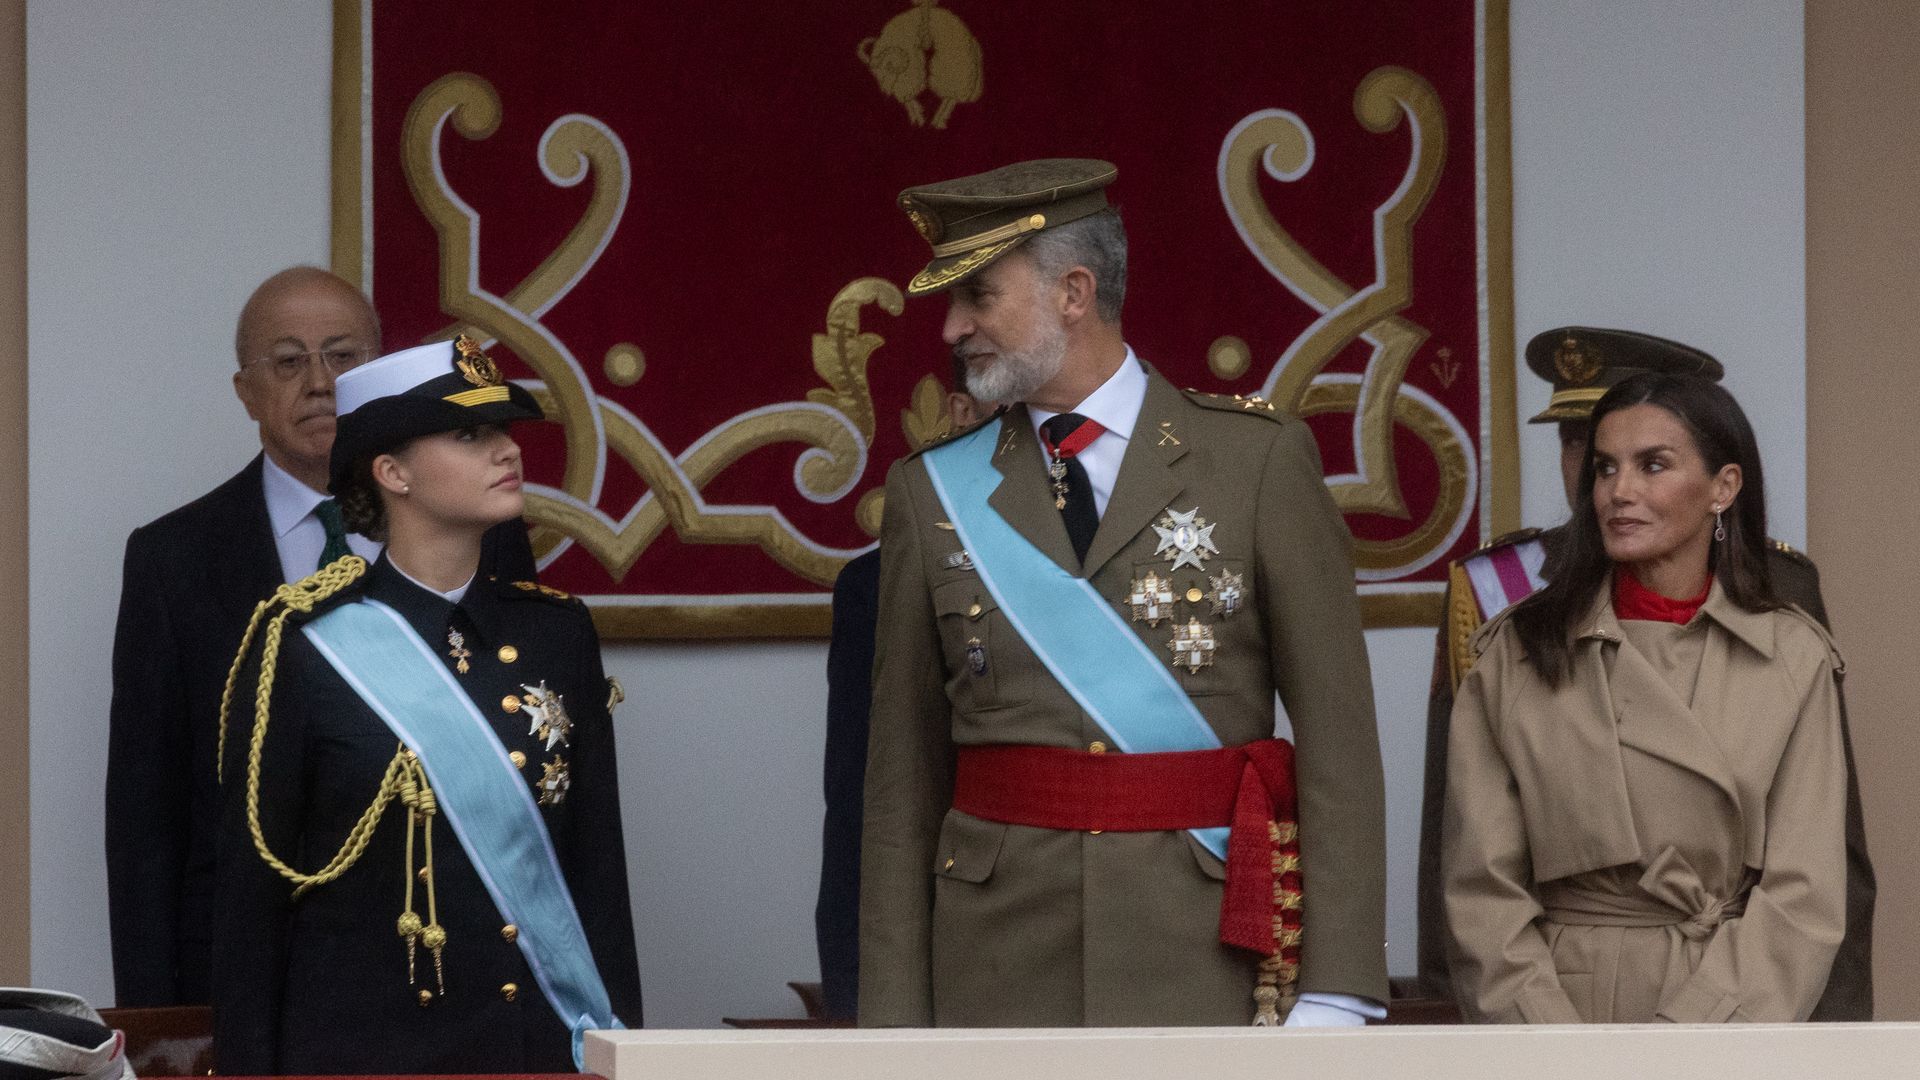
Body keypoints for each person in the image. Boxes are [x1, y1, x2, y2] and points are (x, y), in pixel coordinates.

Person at [859, 158, 1387, 1028]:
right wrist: (892, 1023)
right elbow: (901, 786)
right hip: (996, 967)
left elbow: (1340, 747)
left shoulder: (1255, 463)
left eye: (978, 296)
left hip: (1205, 955)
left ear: (1074, 291)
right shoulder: (931, 492)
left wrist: (1339, 987)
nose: (952, 328)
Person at [105, 267, 536, 1006]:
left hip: (445, 954)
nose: (320, 383)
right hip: (244, 964)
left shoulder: (483, 532)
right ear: (246, 391)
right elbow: (146, 815)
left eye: (343, 356)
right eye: (288, 361)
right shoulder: (174, 559)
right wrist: (156, 1021)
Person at [1415, 327, 1874, 1020]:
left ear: (1723, 486)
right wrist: (1555, 1050)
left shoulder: (1791, 653)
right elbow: (1480, 891)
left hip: (1733, 1020)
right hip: (1557, 1020)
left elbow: (1806, 893)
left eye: (1652, 465)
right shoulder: (1517, 650)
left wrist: (1694, 1043)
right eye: (1604, 468)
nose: (1618, 491)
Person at [211, 338, 639, 1073]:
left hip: (534, 1047)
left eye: (503, 430)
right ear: (392, 472)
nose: (507, 450)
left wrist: (623, 1053)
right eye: (470, 434)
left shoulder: (557, 633)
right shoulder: (304, 645)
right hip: (367, 1055)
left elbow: (598, 876)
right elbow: (253, 908)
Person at [816, 358, 990, 1021]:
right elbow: (866, 808)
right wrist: (856, 988)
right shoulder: (878, 586)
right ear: (962, 414)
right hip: (954, 936)